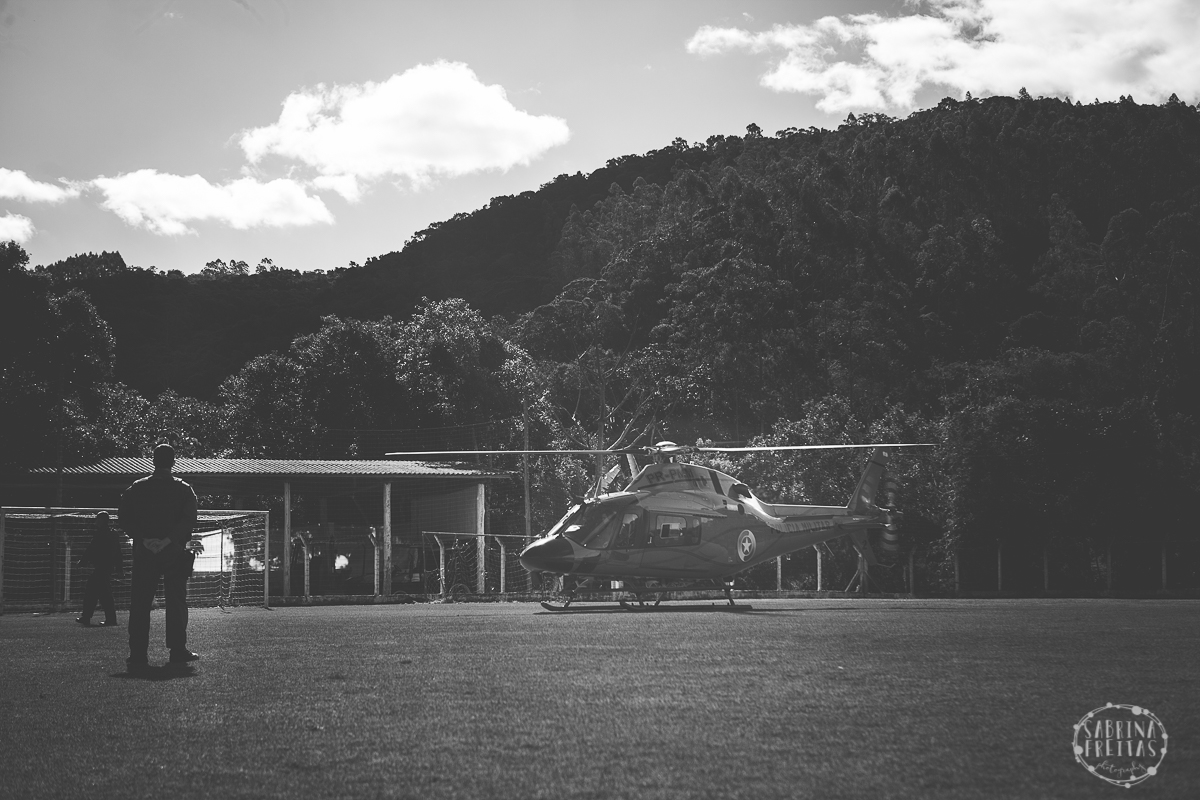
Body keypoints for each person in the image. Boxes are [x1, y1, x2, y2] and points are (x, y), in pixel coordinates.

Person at [118, 443, 201, 671]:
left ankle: (137, 654)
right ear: (173, 462)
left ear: (153, 461)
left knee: (140, 603)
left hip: (145, 552)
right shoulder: (184, 489)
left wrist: (144, 539)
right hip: (173, 552)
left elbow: (124, 517)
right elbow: (189, 519)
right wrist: (167, 540)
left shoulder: (137, 488)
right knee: (175, 602)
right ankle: (177, 650)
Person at [76, 511, 123, 627]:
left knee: (97, 592)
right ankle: (89, 617)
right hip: (107, 567)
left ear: (101, 521)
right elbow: (118, 553)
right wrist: (119, 569)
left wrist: (82, 561)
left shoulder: (100, 534)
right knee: (99, 592)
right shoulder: (113, 534)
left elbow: (91, 549)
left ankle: (91, 617)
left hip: (101, 567)